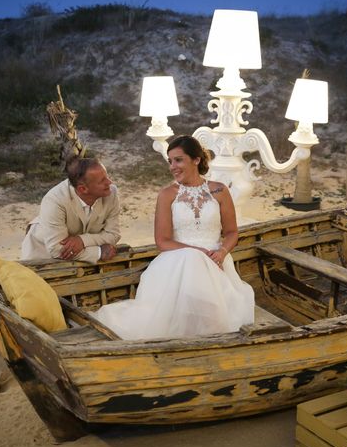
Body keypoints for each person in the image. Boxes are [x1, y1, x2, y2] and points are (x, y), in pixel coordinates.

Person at [92, 135, 254, 340]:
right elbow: (162, 241)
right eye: (170, 161)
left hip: (216, 261)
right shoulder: (167, 194)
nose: (172, 166)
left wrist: (221, 252)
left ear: (196, 160)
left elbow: (231, 232)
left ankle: (210, 335)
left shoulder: (220, 190)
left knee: (219, 308)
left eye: (178, 160)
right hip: (177, 260)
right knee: (191, 261)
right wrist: (196, 253)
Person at [0, 156, 121, 393]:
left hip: (78, 252)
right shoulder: (54, 199)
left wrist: (81, 241)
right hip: (41, 251)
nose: (110, 182)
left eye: (107, 175)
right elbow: (57, 249)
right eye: (102, 180)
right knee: (24, 307)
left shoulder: (112, 193)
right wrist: (97, 250)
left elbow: (114, 234)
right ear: (82, 188)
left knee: (73, 304)